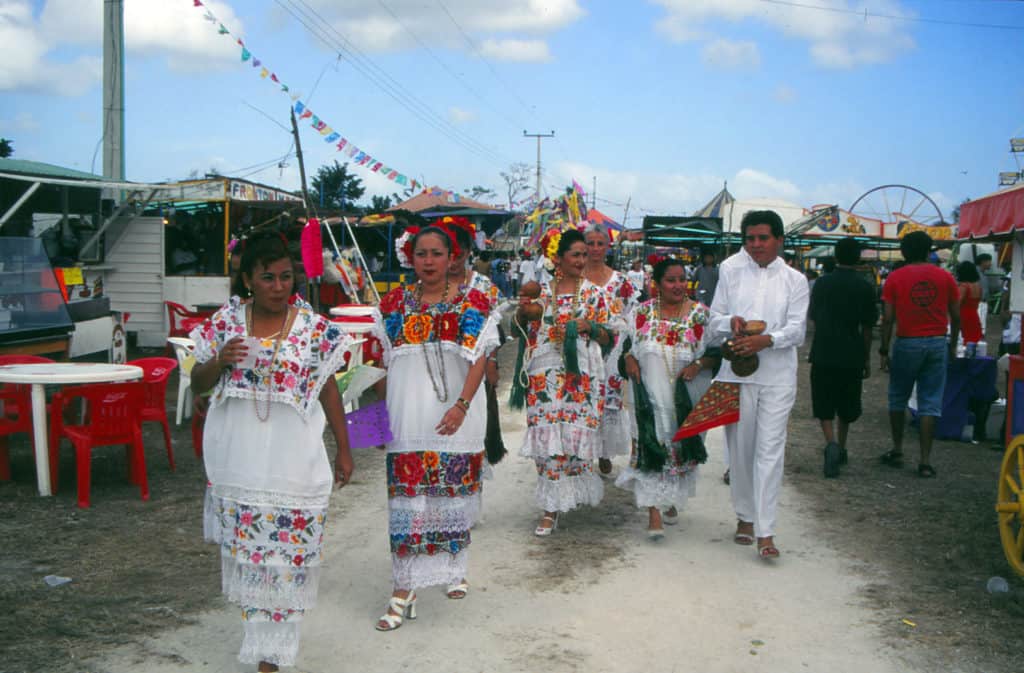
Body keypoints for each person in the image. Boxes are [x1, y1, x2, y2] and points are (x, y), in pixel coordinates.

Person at [189, 232, 354, 672]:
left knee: (286, 554)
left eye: (286, 276)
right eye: (268, 278)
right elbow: (196, 384)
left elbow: (329, 389)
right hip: (239, 455)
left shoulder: (313, 328)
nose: (279, 286)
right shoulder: (225, 322)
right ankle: (261, 643)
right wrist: (220, 359)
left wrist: (344, 447)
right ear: (248, 279)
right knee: (252, 555)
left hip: (291, 456)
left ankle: (276, 653)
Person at [372, 224, 498, 631]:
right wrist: (375, 427)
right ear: (410, 258)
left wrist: (462, 405)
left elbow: (479, 359)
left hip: (455, 419)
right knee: (406, 508)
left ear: (452, 258)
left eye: (436, 254)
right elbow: (379, 365)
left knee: (449, 499)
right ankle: (403, 588)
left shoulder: (472, 303)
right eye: (421, 254)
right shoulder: (392, 305)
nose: (428, 261)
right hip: (406, 418)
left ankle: (450, 570)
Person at [709, 210, 809, 560]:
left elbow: (797, 330)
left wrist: (766, 340)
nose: (755, 245)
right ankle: (745, 518)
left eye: (763, 238)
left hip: (778, 377)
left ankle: (766, 530)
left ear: (779, 240)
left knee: (770, 451)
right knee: (740, 450)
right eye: (750, 238)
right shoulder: (730, 269)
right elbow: (713, 319)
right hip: (737, 374)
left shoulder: (795, 279)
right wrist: (729, 322)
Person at [514, 229, 617, 536]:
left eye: (585, 254)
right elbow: (520, 328)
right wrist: (522, 313)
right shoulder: (541, 292)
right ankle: (549, 508)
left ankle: (568, 497)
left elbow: (611, 337)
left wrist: (590, 326)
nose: (582, 260)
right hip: (543, 375)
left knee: (573, 434)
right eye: (576, 254)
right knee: (547, 437)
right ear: (557, 258)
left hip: (582, 377)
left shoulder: (595, 294)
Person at [618, 258, 718, 537]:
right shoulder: (641, 313)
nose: (678, 285)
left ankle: (671, 500)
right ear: (657, 284)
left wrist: (698, 365)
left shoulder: (701, 315)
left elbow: (716, 353)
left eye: (681, 280)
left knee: (679, 450)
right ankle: (654, 515)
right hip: (649, 397)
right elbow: (627, 346)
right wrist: (628, 359)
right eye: (670, 280)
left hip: (687, 398)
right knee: (653, 445)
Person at [878, 230, 960, 479]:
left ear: (904, 251)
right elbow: (955, 317)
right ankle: (925, 461)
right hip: (937, 342)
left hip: (907, 342)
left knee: (897, 397)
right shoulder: (945, 277)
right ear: (929, 251)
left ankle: (898, 449)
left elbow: (888, 319)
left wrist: (883, 349)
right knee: (930, 402)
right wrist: (953, 345)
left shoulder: (895, 278)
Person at [808, 237, 878, 478]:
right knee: (846, 403)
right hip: (852, 351)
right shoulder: (866, 286)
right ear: (858, 257)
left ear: (836, 256)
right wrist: (867, 358)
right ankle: (843, 446)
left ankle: (830, 443)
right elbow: (868, 327)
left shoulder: (822, 284)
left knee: (824, 401)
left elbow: (814, 318)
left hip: (824, 349)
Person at [584, 223, 640, 476]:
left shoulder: (621, 282)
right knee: (583, 398)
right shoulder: (574, 278)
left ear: (608, 247)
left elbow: (631, 317)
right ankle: (583, 453)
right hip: (582, 347)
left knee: (609, 401)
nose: (595, 249)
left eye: (600, 243)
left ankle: (605, 452)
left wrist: (628, 350)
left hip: (614, 350)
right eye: (591, 243)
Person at [955, 260, 983, 352]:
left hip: (963, 317)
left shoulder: (964, 286)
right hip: (974, 316)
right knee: (974, 342)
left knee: (963, 343)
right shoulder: (978, 286)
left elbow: (957, 303)